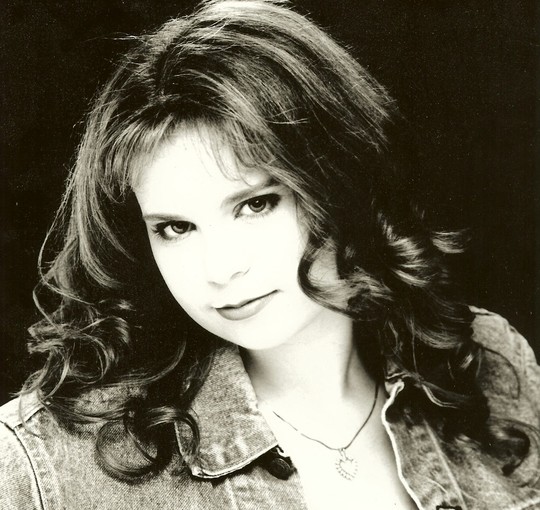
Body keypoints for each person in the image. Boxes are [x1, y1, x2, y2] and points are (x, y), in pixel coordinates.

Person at [0, 0, 538, 508]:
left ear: (342, 181)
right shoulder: (44, 461)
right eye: (175, 228)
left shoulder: (491, 366)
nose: (219, 268)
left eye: (255, 204)